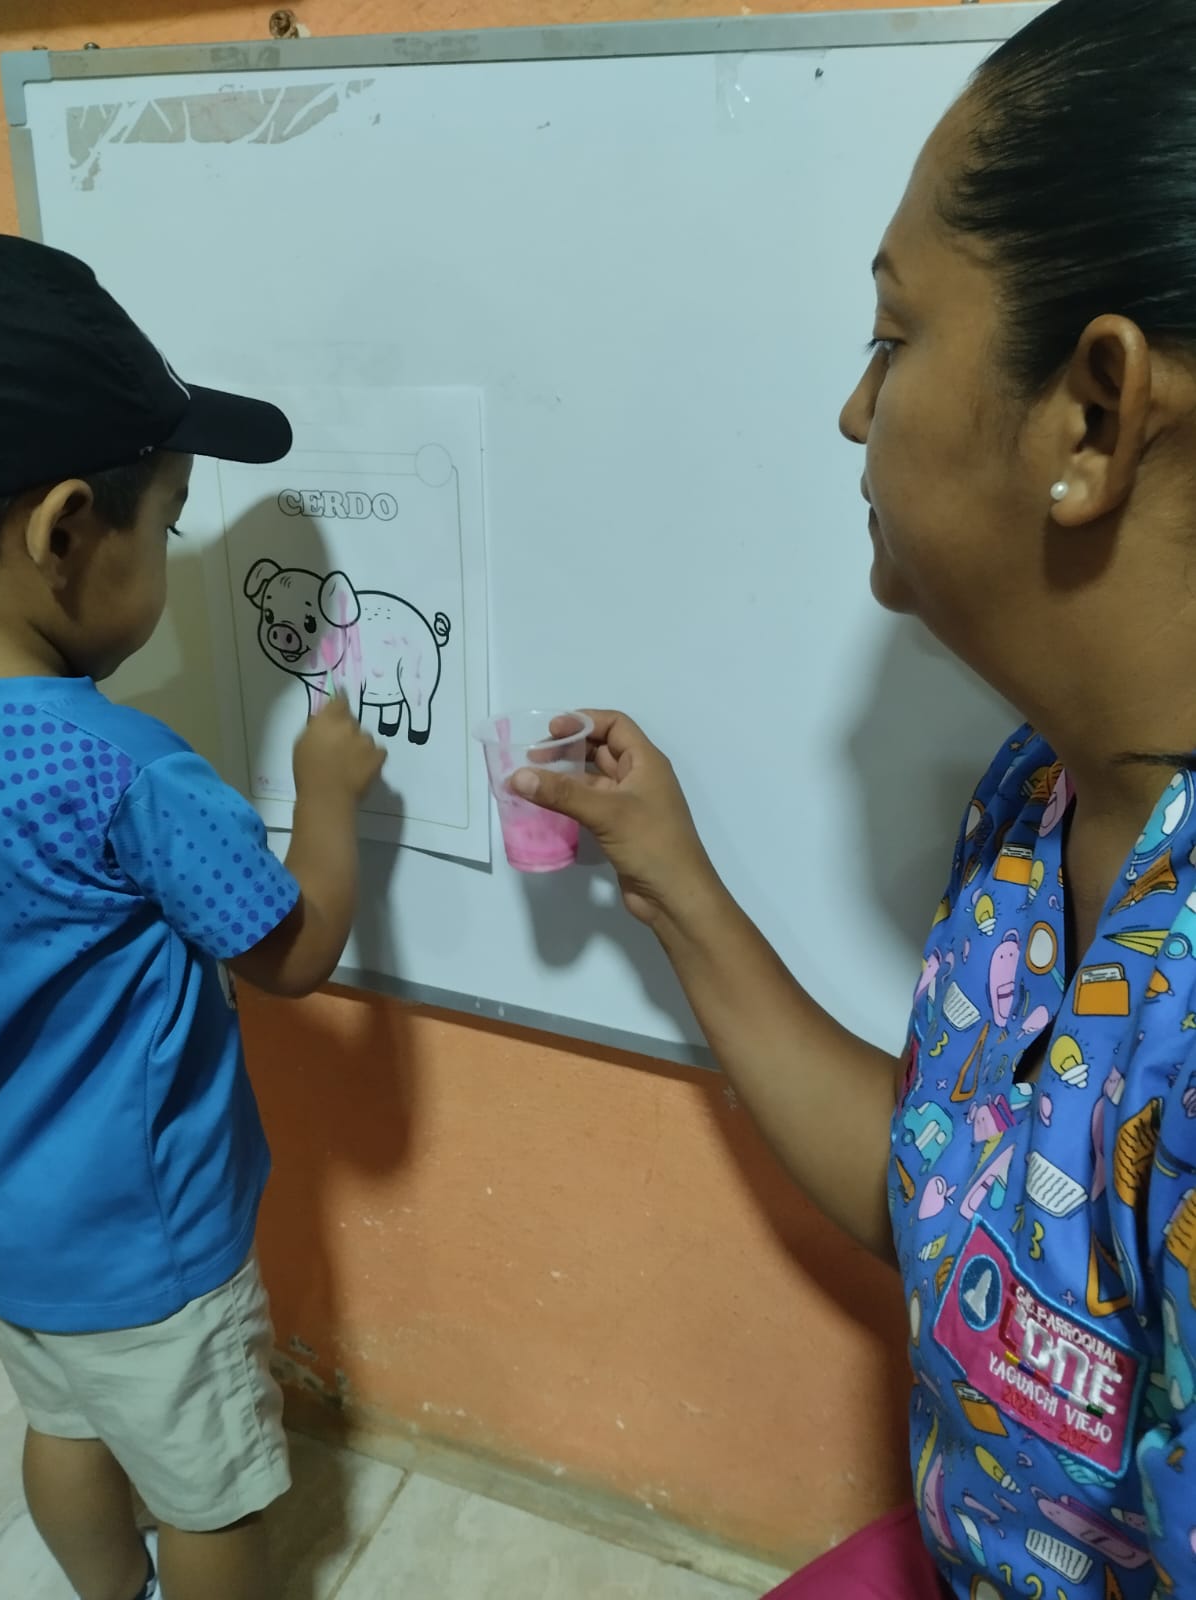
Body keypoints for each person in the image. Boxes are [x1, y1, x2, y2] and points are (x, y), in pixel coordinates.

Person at [513, 2, 1196, 1596]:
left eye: (894, 339)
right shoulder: (1037, 797)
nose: (853, 409)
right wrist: (670, 874)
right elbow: (950, 1197)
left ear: (1092, 417)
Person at [0, 234, 385, 1600]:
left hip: (15, 1230)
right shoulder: (129, 774)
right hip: (152, 1244)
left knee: (63, 1425)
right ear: (64, 533)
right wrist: (326, 794)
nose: (169, 555)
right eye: (165, 526)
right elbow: (296, 951)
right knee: (211, 1486)